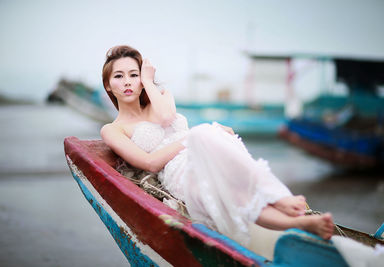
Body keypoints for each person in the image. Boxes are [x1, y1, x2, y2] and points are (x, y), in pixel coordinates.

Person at [100, 45, 334, 245]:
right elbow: (149, 163)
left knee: (232, 172)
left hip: (204, 150)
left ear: (143, 79)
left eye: (134, 75)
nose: (127, 82)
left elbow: (165, 118)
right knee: (210, 147)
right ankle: (290, 210)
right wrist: (195, 137)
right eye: (118, 76)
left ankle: (294, 215)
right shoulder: (113, 129)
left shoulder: (161, 96)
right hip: (178, 171)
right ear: (108, 85)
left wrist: (149, 82)